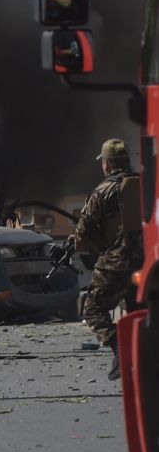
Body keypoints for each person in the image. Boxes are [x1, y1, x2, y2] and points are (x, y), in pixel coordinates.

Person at [73, 138, 144, 380]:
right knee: (140, 313)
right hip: (146, 264)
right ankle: (139, 358)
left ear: (105, 164)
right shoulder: (146, 186)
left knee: (93, 310)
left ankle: (120, 350)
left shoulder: (102, 191)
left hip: (116, 263)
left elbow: (82, 236)